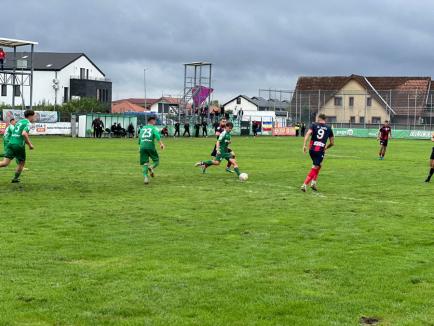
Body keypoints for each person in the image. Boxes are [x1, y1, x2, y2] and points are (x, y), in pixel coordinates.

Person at [301, 114, 334, 192]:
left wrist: (304, 145)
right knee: (316, 167)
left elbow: (308, 134)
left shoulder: (314, 125)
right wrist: (326, 148)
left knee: (319, 165)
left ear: (319, 119)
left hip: (311, 150)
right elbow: (332, 143)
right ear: (325, 119)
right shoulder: (329, 128)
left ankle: (313, 183)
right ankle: (304, 185)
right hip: (319, 151)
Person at [0, 110, 36, 183]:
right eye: (34, 116)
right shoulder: (28, 123)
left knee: (5, 163)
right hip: (18, 145)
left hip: (10, 143)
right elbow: (24, 134)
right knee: (21, 163)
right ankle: (15, 179)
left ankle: (15, 179)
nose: (35, 117)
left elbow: (18, 134)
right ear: (30, 116)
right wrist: (30, 144)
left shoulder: (19, 122)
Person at [138, 116, 165, 185]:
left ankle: (146, 178)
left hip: (142, 146)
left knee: (145, 163)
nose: (155, 122)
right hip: (150, 146)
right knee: (156, 161)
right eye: (154, 120)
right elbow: (157, 136)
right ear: (152, 121)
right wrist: (161, 144)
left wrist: (139, 147)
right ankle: (151, 167)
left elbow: (140, 138)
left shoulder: (143, 128)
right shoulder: (153, 128)